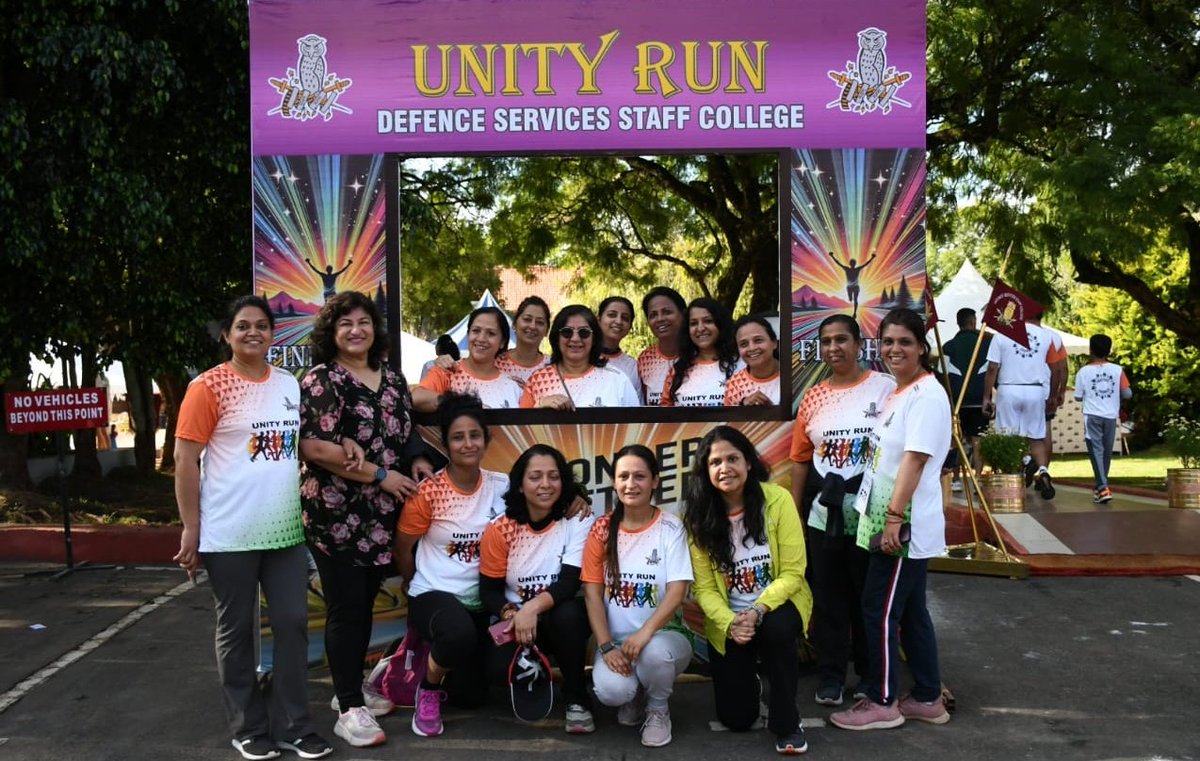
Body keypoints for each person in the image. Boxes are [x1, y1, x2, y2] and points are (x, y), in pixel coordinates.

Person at [175, 295, 333, 761]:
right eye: (243, 325)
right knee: (236, 629)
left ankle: (295, 726)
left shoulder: (288, 383)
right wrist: (191, 529)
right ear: (227, 334)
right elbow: (185, 461)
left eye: (262, 325)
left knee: (293, 623)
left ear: (272, 333)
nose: (253, 333)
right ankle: (248, 727)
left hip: (284, 531)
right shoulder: (208, 387)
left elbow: (298, 446)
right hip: (229, 532)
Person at [299, 291, 435, 749]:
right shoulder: (322, 380)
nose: (356, 330)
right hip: (335, 514)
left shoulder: (392, 379)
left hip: (381, 515)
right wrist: (381, 475)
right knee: (346, 609)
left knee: (363, 604)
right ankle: (349, 707)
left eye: (363, 322)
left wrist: (414, 459)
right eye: (345, 324)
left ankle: (348, 693)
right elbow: (315, 448)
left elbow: (402, 429)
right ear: (331, 333)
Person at [830, 307, 951, 731]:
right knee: (912, 611)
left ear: (921, 348)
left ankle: (882, 701)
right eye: (888, 342)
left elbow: (914, 462)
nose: (895, 349)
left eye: (905, 342)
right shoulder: (899, 393)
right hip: (887, 520)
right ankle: (927, 696)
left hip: (901, 525)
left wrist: (894, 521)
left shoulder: (927, 397)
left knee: (878, 611)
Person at [683, 426, 812, 755]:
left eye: (732, 459)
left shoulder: (778, 500)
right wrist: (730, 622)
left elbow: (794, 572)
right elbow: (705, 589)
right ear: (705, 471)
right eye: (715, 462)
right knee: (736, 719)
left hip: (776, 606)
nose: (724, 468)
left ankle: (787, 721)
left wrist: (757, 611)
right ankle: (752, 685)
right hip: (730, 620)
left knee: (777, 630)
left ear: (749, 463)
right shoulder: (697, 518)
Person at [789, 314, 895, 707]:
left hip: (875, 514)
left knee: (869, 597)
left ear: (859, 344)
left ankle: (871, 676)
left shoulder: (885, 389)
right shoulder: (814, 397)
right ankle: (832, 676)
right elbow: (801, 458)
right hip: (824, 516)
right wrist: (798, 512)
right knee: (829, 600)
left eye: (842, 340)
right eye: (827, 341)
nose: (834, 348)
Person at [395, 394, 509, 737]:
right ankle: (427, 691)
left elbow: (545, 505)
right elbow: (403, 549)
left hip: (481, 602)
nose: (468, 444)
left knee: (471, 697)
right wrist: (412, 583)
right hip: (433, 593)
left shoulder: (502, 486)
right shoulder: (428, 492)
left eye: (475, 435)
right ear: (445, 444)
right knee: (457, 633)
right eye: (458, 437)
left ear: (487, 440)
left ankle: (410, 659)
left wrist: (576, 495)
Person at [479, 444, 597, 733]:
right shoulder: (501, 528)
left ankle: (576, 698)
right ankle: (536, 672)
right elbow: (489, 591)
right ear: (519, 484)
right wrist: (511, 614)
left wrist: (531, 608)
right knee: (492, 671)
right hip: (515, 621)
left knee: (569, 616)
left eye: (553, 476)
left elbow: (569, 583)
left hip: (556, 617)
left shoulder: (576, 519)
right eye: (535, 477)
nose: (545, 485)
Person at [582, 445, 693, 748]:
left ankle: (658, 709)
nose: (631, 484)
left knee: (655, 653)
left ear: (655, 481)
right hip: (618, 642)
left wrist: (645, 633)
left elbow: (677, 590)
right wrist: (606, 647)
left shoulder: (671, 527)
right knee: (612, 692)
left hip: (666, 637)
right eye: (624, 477)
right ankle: (635, 694)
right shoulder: (602, 529)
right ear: (614, 483)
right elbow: (592, 596)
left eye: (640, 476)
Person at [980, 307, 1064, 500]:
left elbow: (992, 368)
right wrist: (1052, 395)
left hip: (1009, 389)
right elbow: (1056, 368)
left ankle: (1019, 471)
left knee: (1008, 437)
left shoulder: (1001, 335)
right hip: (1035, 390)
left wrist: (987, 397)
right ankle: (1042, 470)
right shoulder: (1047, 336)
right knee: (1036, 437)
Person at [519, 304, 640, 409]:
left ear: (594, 339)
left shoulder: (617, 380)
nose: (575, 339)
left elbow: (636, 428)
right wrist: (539, 406)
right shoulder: (538, 381)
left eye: (584, 333)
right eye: (567, 332)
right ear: (557, 337)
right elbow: (520, 431)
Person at [413, 306, 523, 410]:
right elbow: (416, 399)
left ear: (502, 342)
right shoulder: (447, 371)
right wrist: (461, 404)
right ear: (468, 334)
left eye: (491, 333)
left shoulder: (513, 386)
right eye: (476, 331)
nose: (481, 338)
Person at [1073, 334, 1131, 504]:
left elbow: (1077, 397)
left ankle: (1103, 487)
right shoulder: (1117, 370)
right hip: (1111, 416)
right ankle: (1101, 488)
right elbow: (1127, 393)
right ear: (1109, 350)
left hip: (1092, 416)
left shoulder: (1083, 372)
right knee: (1106, 452)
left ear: (1090, 350)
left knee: (1096, 451)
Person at [940, 308, 991, 490]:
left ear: (958, 322)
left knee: (956, 440)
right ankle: (977, 480)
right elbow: (994, 370)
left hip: (956, 402)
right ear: (973, 322)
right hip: (979, 400)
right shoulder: (985, 345)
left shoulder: (948, 346)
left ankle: (955, 479)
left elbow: (941, 374)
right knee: (978, 442)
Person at [661, 297, 741, 407]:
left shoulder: (741, 364)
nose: (700, 328)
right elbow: (665, 414)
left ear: (721, 324)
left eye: (708, 321)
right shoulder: (678, 370)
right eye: (693, 323)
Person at [637, 287, 687, 405]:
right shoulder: (644, 359)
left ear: (684, 314)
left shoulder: (698, 355)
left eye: (667, 312)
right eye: (653, 315)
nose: (660, 319)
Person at [724, 315, 781, 406]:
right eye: (744, 344)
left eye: (758, 340)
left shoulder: (793, 375)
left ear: (774, 343)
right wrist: (743, 406)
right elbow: (730, 419)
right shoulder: (734, 385)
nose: (752, 348)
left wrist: (773, 411)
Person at [496, 296, 551, 385]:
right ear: (514, 324)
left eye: (540, 322)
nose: (533, 326)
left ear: (547, 330)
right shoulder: (496, 363)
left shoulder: (552, 366)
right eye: (527, 319)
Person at [597, 296, 641, 394]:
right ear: (598, 319)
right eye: (612, 315)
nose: (618, 321)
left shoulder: (632, 366)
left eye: (625, 318)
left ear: (630, 326)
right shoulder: (580, 358)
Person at [828, 250, 876, 319]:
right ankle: (851, 301)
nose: (852, 264)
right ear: (852, 264)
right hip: (850, 287)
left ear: (852, 264)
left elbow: (838, 263)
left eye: (852, 263)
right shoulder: (849, 269)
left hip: (854, 287)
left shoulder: (852, 269)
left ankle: (855, 313)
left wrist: (872, 258)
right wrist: (832, 256)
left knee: (855, 299)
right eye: (852, 263)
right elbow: (838, 263)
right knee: (851, 299)